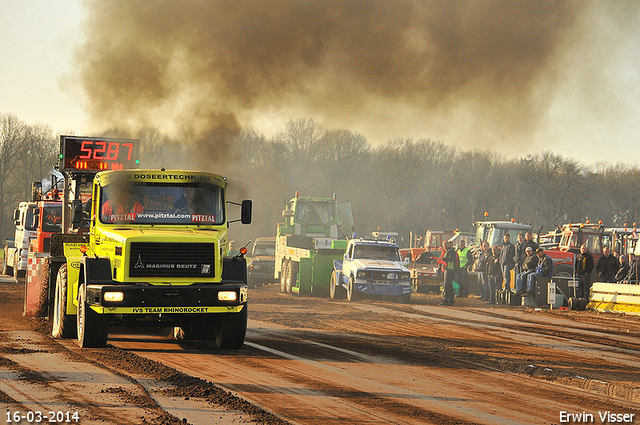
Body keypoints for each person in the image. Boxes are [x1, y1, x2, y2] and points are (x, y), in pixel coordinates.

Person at [440, 240, 458, 306]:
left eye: (445, 244)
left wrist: (443, 259)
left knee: (447, 286)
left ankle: (447, 300)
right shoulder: (447, 251)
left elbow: (451, 259)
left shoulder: (451, 251)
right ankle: (449, 300)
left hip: (450, 270)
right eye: (443, 245)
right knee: (448, 286)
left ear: (449, 244)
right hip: (447, 269)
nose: (444, 246)